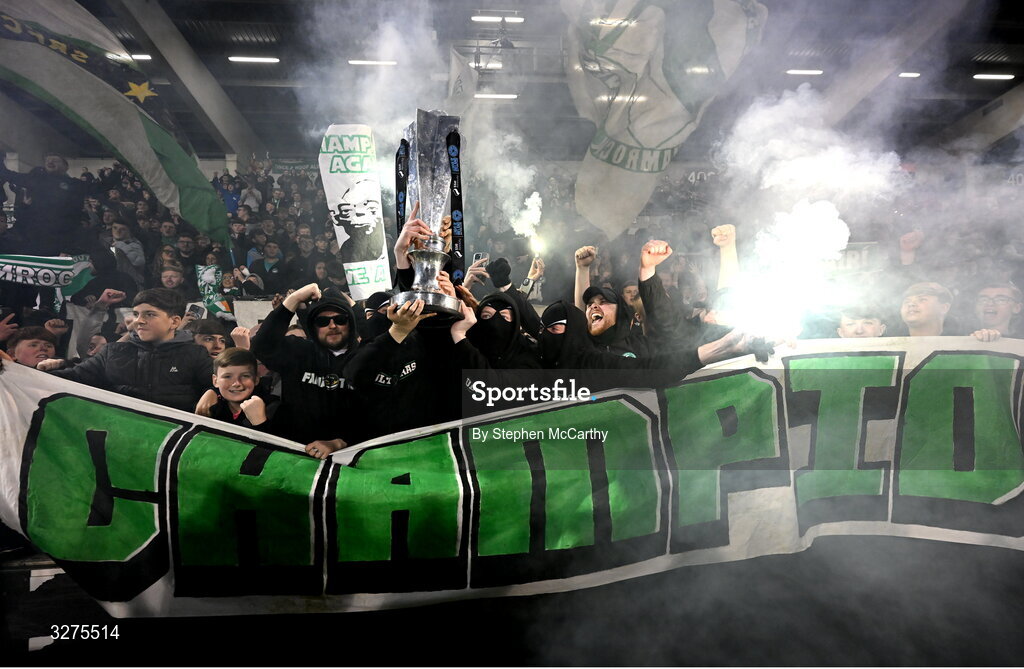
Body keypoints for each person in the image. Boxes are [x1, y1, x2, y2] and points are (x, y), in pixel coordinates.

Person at [41, 288, 213, 412]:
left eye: (149, 314)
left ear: (174, 322)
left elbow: (224, 388)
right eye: (137, 314)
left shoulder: (195, 355)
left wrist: (213, 393)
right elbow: (73, 377)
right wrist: (21, 372)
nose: (139, 321)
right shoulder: (113, 352)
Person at [248, 283, 361, 454]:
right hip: (295, 454)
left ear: (350, 324)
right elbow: (261, 346)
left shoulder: (367, 358)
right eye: (323, 321)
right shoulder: (298, 351)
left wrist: (339, 443)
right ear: (313, 327)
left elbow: (377, 414)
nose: (332, 326)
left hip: (349, 457)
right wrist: (294, 299)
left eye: (340, 319)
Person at [205, 347, 278, 431]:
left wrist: (260, 422)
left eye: (245, 376)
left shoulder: (275, 409)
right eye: (227, 376)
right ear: (215, 381)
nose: (237, 383)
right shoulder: (211, 408)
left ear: (256, 379)